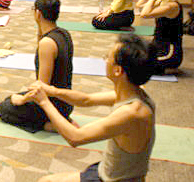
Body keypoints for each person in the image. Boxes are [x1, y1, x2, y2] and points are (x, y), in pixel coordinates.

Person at [27, 34, 157, 182]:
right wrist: (52, 91)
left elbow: (75, 137)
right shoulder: (134, 94)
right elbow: (86, 100)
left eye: (108, 58)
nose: (105, 61)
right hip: (108, 170)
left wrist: (44, 102)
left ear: (118, 71)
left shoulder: (132, 113)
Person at [0, 0, 73, 133]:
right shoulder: (64, 33)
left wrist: (23, 100)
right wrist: (39, 26)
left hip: (54, 105)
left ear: (38, 13)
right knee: (10, 99)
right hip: (66, 101)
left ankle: (50, 124)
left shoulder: (47, 43)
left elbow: (41, 88)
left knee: (3, 109)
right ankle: (57, 119)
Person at [136, 0, 183, 74]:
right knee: (132, 56)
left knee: (137, 65)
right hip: (157, 46)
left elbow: (144, 14)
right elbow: (140, 5)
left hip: (168, 53)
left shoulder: (172, 6)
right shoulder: (163, 0)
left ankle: (168, 68)